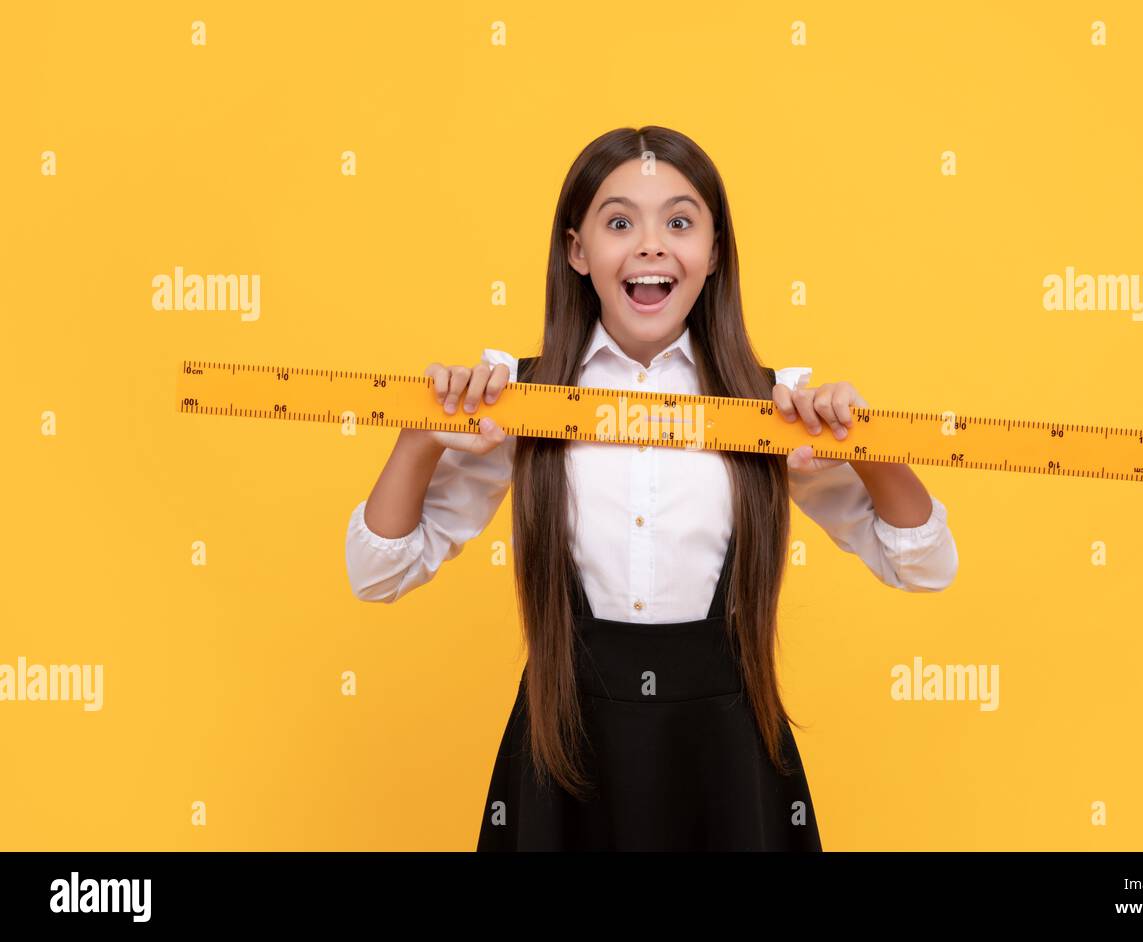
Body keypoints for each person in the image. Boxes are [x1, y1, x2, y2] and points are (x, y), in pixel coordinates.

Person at [345, 126, 959, 851]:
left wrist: (866, 449)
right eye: (618, 222)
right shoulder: (520, 397)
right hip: (564, 755)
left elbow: (925, 565)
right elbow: (376, 574)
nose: (650, 245)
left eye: (678, 221)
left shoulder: (771, 407)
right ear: (577, 251)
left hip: (726, 762)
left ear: (714, 252)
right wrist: (419, 437)